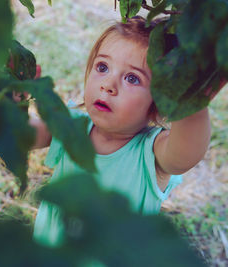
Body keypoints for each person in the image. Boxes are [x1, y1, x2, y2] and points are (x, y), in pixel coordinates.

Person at [28, 16, 223, 247]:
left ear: (161, 100)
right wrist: (11, 103)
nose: (108, 85)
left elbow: (187, 152)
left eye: (132, 78)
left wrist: (191, 104)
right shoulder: (72, 125)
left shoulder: (150, 155)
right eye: (102, 67)